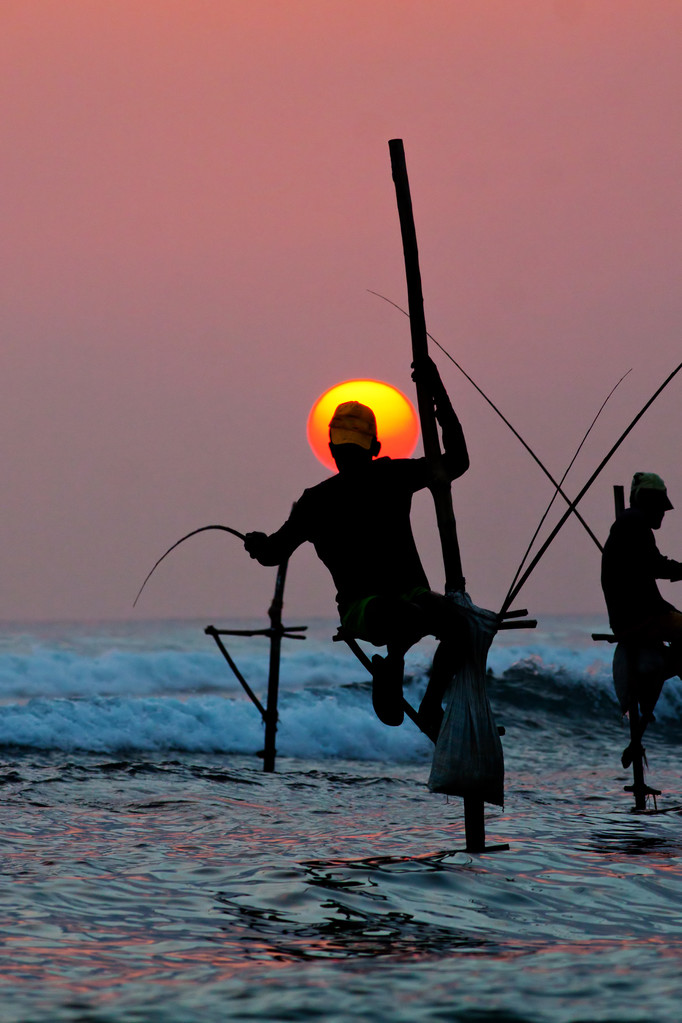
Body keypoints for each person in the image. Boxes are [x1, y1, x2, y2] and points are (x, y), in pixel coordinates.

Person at [244, 359, 471, 739]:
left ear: (331, 447)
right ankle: (394, 664)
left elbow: (272, 554)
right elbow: (273, 553)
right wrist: (437, 392)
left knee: (456, 624)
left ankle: (432, 704)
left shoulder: (382, 480)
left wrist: (258, 545)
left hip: (409, 597)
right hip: (363, 609)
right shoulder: (328, 498)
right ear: (375, 446)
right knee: (411, 615)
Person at [601, 472, 682, 673]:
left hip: (628, 617)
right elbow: (656, 566)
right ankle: (667, 667)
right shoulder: (635, 523)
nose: (663, 513)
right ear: (648, 504)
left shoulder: (630, 522)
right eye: (660, 507)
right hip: (639, 618)